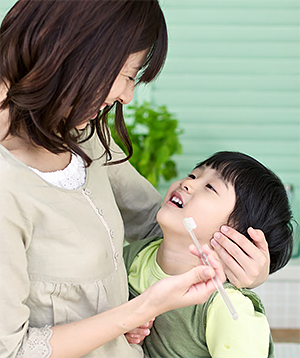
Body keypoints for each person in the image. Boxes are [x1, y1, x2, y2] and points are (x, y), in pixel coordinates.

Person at [0, 0, 270, 357]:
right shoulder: (10, 186)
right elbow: (12, 350)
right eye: (128, 75)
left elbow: (161, 225)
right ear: (81, 53)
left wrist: (244, 267)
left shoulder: (80, 132)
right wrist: (137, 311)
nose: (127, 96)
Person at [123, 151, 294, 358]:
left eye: (210, 187)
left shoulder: (227, 308)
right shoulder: (130, 257)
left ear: (236, 239)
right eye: (193, 175)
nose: (187, 183)